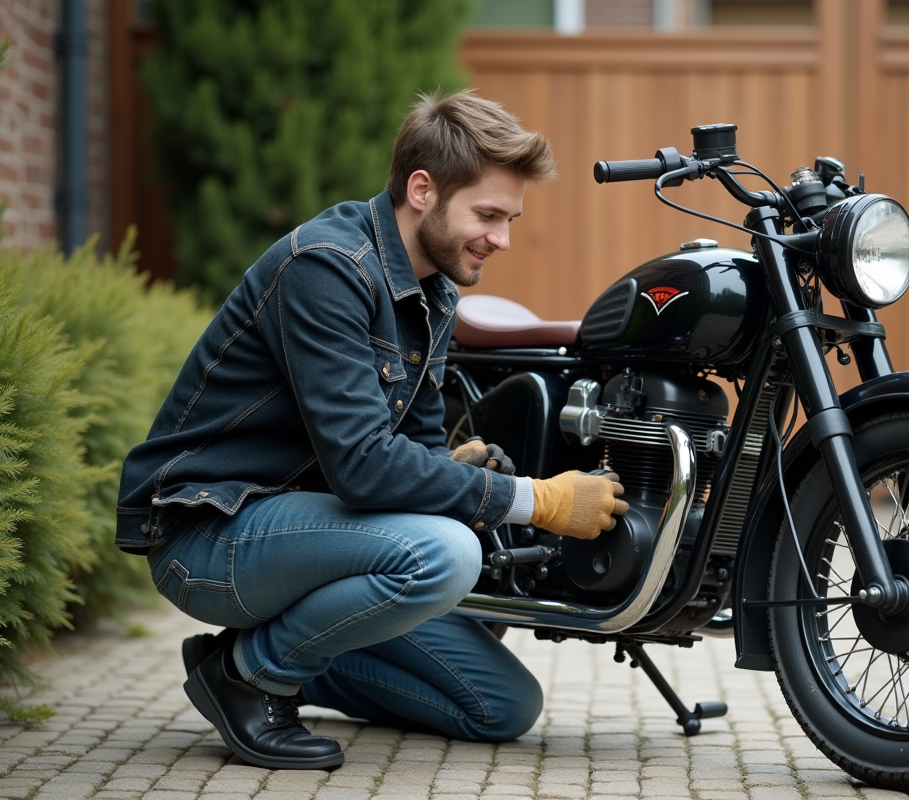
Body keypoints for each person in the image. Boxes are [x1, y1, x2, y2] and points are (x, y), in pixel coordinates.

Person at [116, 91, 629, 770]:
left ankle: (283, 652)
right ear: (423, 190)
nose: (501, 238)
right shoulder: (325, 268)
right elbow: (363, 466)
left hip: (304, 537)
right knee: (444, 553)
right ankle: (247, 675)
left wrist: (455, 467)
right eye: (488, 215)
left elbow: (408, 450)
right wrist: (544, 500)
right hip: (210, 531)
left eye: (510, 218)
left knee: (502, 706)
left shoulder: (434, 292)